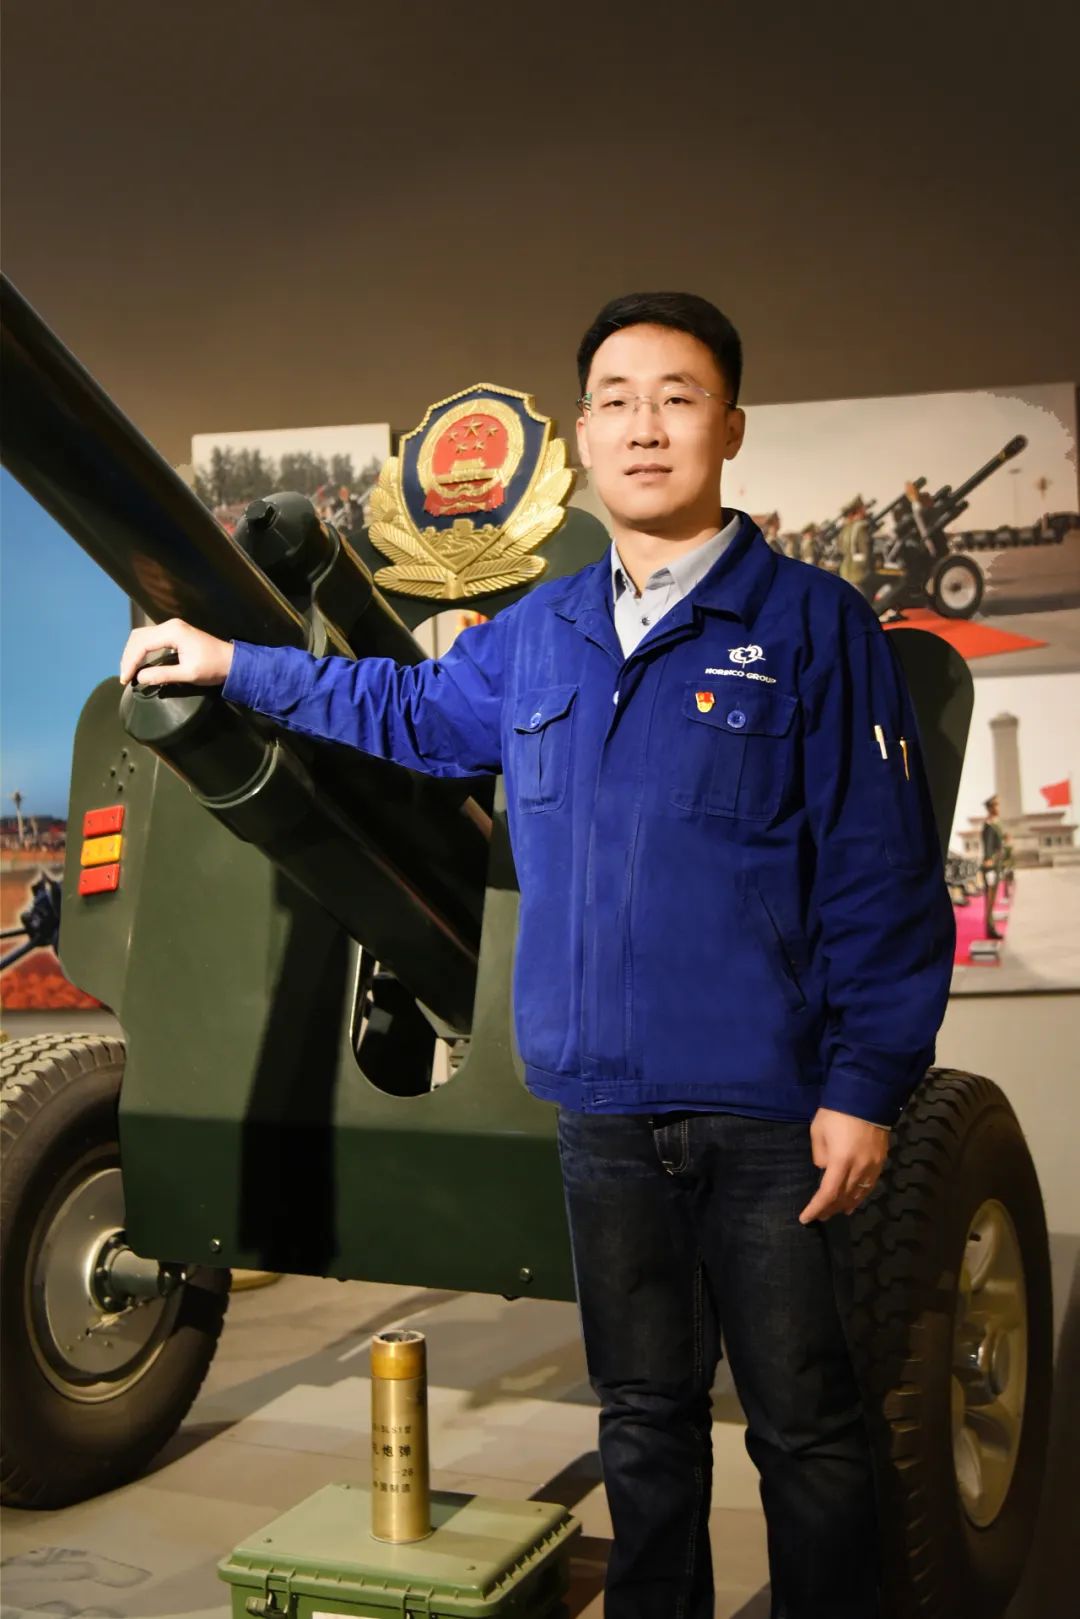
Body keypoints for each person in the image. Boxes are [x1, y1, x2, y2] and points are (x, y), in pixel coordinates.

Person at [120, 291, 954, 1619]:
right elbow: (403, 707)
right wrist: (232, 664)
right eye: (618, 400)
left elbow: (883, 873)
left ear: (730, 427)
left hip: (768, 1113)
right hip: (601, 1111)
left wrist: (864, 1085)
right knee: (644, 1420)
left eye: (677, 398)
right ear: (583, 432)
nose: (646, 426)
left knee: (806, 1427)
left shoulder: (814, 624)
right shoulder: (545, 629)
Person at [836, 494, 876, 605]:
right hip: (859, 573)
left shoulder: (846, 529)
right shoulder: (861, 527)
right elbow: (865, 553)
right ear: (859, 510)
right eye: (863, 509)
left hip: (846, 571)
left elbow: (842, 549)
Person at [981, 794, 1006, 940]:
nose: (998, 807)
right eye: (996, 805)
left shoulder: (995, 824)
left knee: (992, 899)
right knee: (990, 900)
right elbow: (988, 847)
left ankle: (991, 927)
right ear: (990, 808)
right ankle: (990, 929)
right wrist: (989, 861)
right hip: (990, 866)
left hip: (995, 866)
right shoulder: (989, 825)